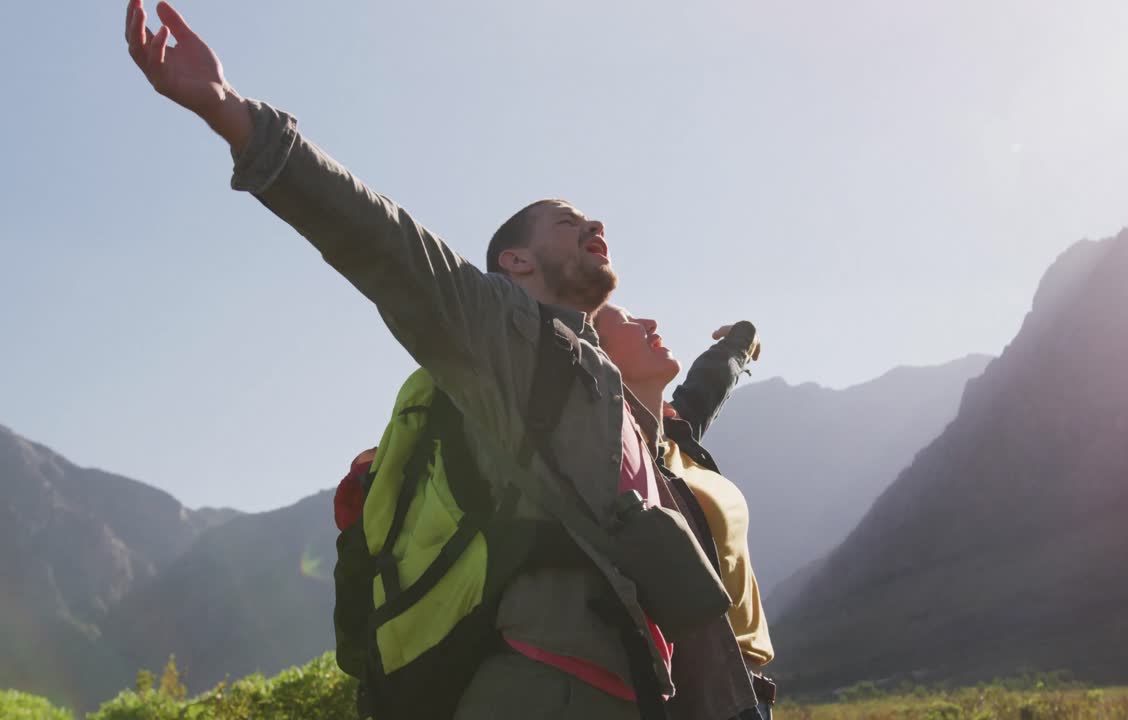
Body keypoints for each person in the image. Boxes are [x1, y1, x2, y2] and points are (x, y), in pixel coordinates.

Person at [122, 3, 761, 719]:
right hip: (540, 692)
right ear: (514, 262)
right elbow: (387, 245)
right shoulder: (503, 334)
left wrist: (736, 347)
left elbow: (692, 414)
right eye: (566, 218)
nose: (594, 224)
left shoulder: (606, 391)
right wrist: (229, 111)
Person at [594, 305, 777, 719]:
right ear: (596, 356)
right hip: (697, 698)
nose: (650, 323)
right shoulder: (619, 461)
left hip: (747, 693)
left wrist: (741, 342)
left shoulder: (674, 440)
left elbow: (708, 383)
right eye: (625, 321)